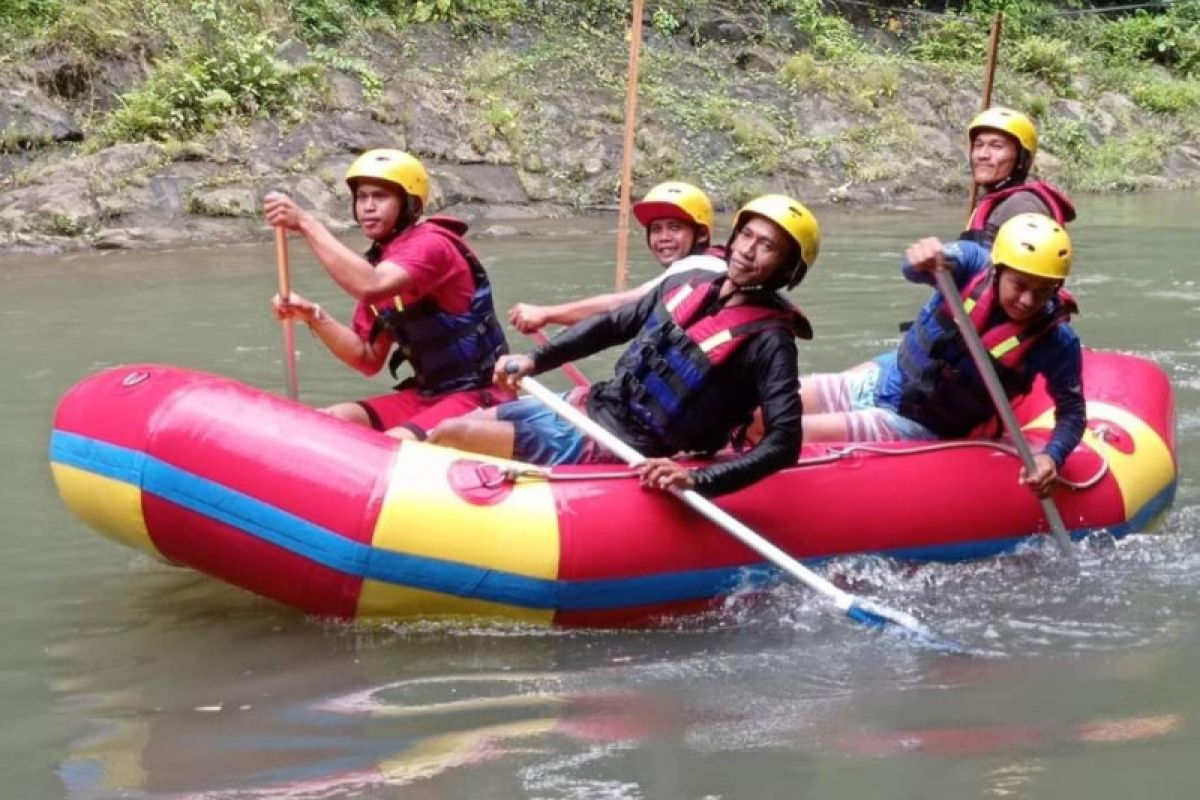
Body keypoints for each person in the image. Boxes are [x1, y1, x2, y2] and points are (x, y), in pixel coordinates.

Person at [431, 194, 821, 498]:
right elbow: (615, 324)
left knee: (453, 434)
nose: (748, 250)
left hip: (624, 444)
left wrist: (700, 479)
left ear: (786, 270)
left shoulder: (771, 342)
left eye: (767, 247)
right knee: (448, 431)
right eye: (747, 235)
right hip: (590, 404)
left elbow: (785, 443)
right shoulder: (697, 280)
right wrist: (535, 359)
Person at [800, 213, 1084, 497]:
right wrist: (923, 259)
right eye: (1020, 285)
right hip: (883, 381)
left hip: (919, 424)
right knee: (767, 407)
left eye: (1044, 291)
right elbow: (913, 270)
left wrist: (1052, 456)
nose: (1028, 301)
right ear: (998, 269)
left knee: (794, 430)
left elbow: (1072, 413)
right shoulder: (972, 263)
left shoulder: (1057, 342)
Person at [263, 148, 513, 439]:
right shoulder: (381, 263)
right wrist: (312, 315)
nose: (367, 206)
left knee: (394, 443)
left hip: (480, 397)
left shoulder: (431, 245)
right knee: (334, 419)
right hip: (428, 395)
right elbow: (366, 358)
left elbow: (370, 286)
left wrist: (306, 223)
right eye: (362, 197)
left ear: (408, 204)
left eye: (380, 197)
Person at [508, 181, 725, 334]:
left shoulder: (701, 265)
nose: (664, 237)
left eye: (675, 228)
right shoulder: (699, 268)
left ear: (702, 233)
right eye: (656, 229)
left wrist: (546, 314)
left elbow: (622, 304)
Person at [963, 106, 1075, 246]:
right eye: (978, 145)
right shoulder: (997, 202)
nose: (983, 155)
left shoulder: (1022, 206)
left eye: (996, 146)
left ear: (1021, 158)